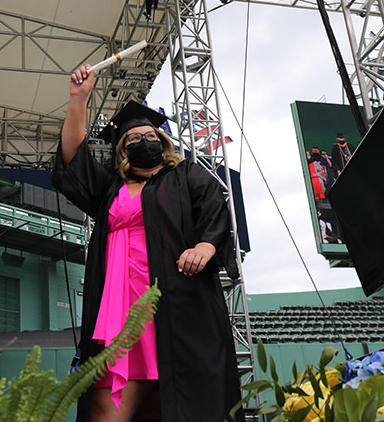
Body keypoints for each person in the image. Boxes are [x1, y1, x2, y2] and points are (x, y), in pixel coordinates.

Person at [52, 64, 242, 422]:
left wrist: (205, 247)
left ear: (164, 141)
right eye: (133, 139)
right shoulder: (111, 188)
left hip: (180, 307)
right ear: (123, 150)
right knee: (104, 410)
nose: (144, 141)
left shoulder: (186, 176)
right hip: (120, 314)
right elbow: (72, 160)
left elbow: (215, 211)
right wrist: (78, 99)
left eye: (151, 135)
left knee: (188, 404)